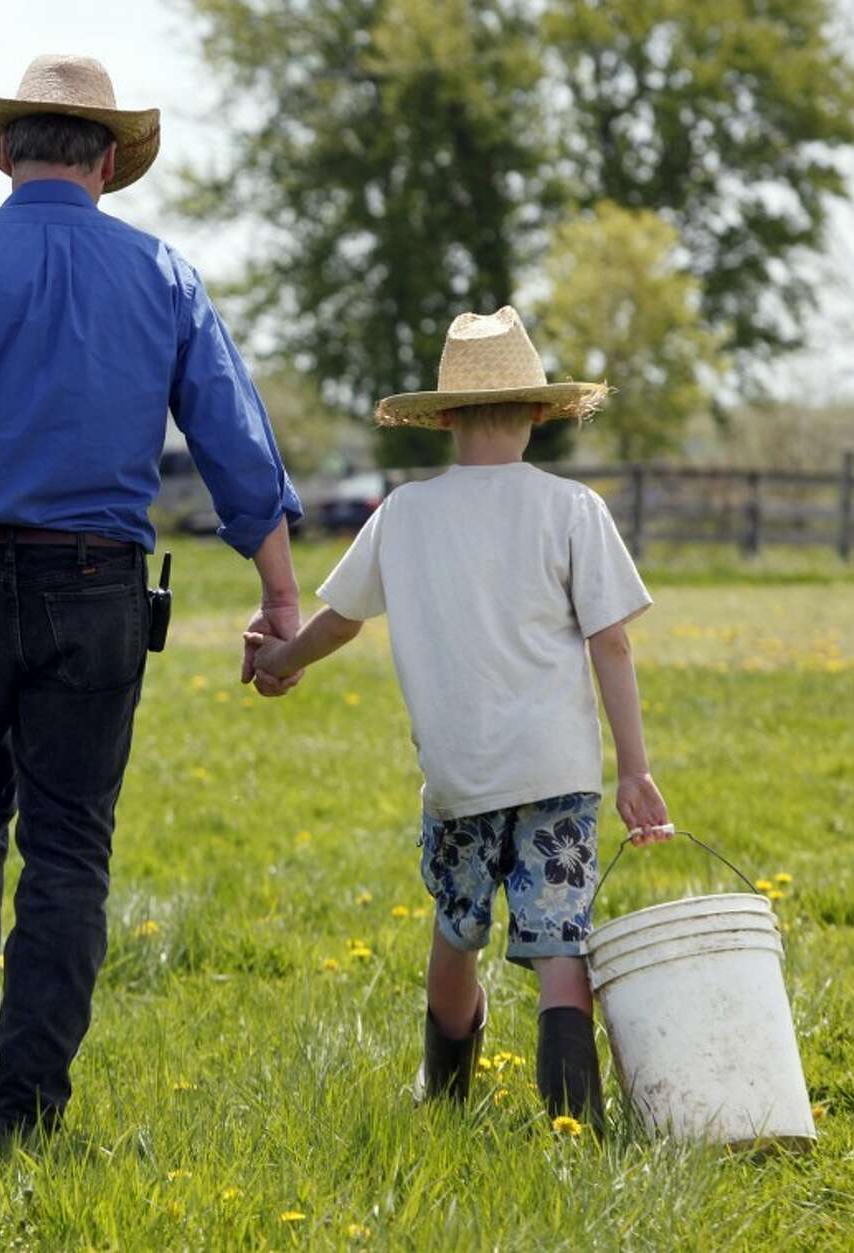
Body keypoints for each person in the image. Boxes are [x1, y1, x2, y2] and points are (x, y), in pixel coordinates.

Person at [0, 54, 302, 1138]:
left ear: (4, 150)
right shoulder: (163, 273)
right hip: (95, 590)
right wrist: (279, 592)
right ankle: (24, 1103)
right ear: (110, 160)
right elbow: (234, 440)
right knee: (71, 845)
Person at [244, 307, 669, 1134]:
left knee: (456, 930)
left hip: (459, 774)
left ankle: (442, 1096)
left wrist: (278, 662)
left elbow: (340, 618)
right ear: (542, 412)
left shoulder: (404, 512)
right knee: (559, 943)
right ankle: (571, 1123)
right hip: (559, 771)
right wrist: (635, 768)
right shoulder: (572, 508)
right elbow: (611, 643)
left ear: (441, 417)